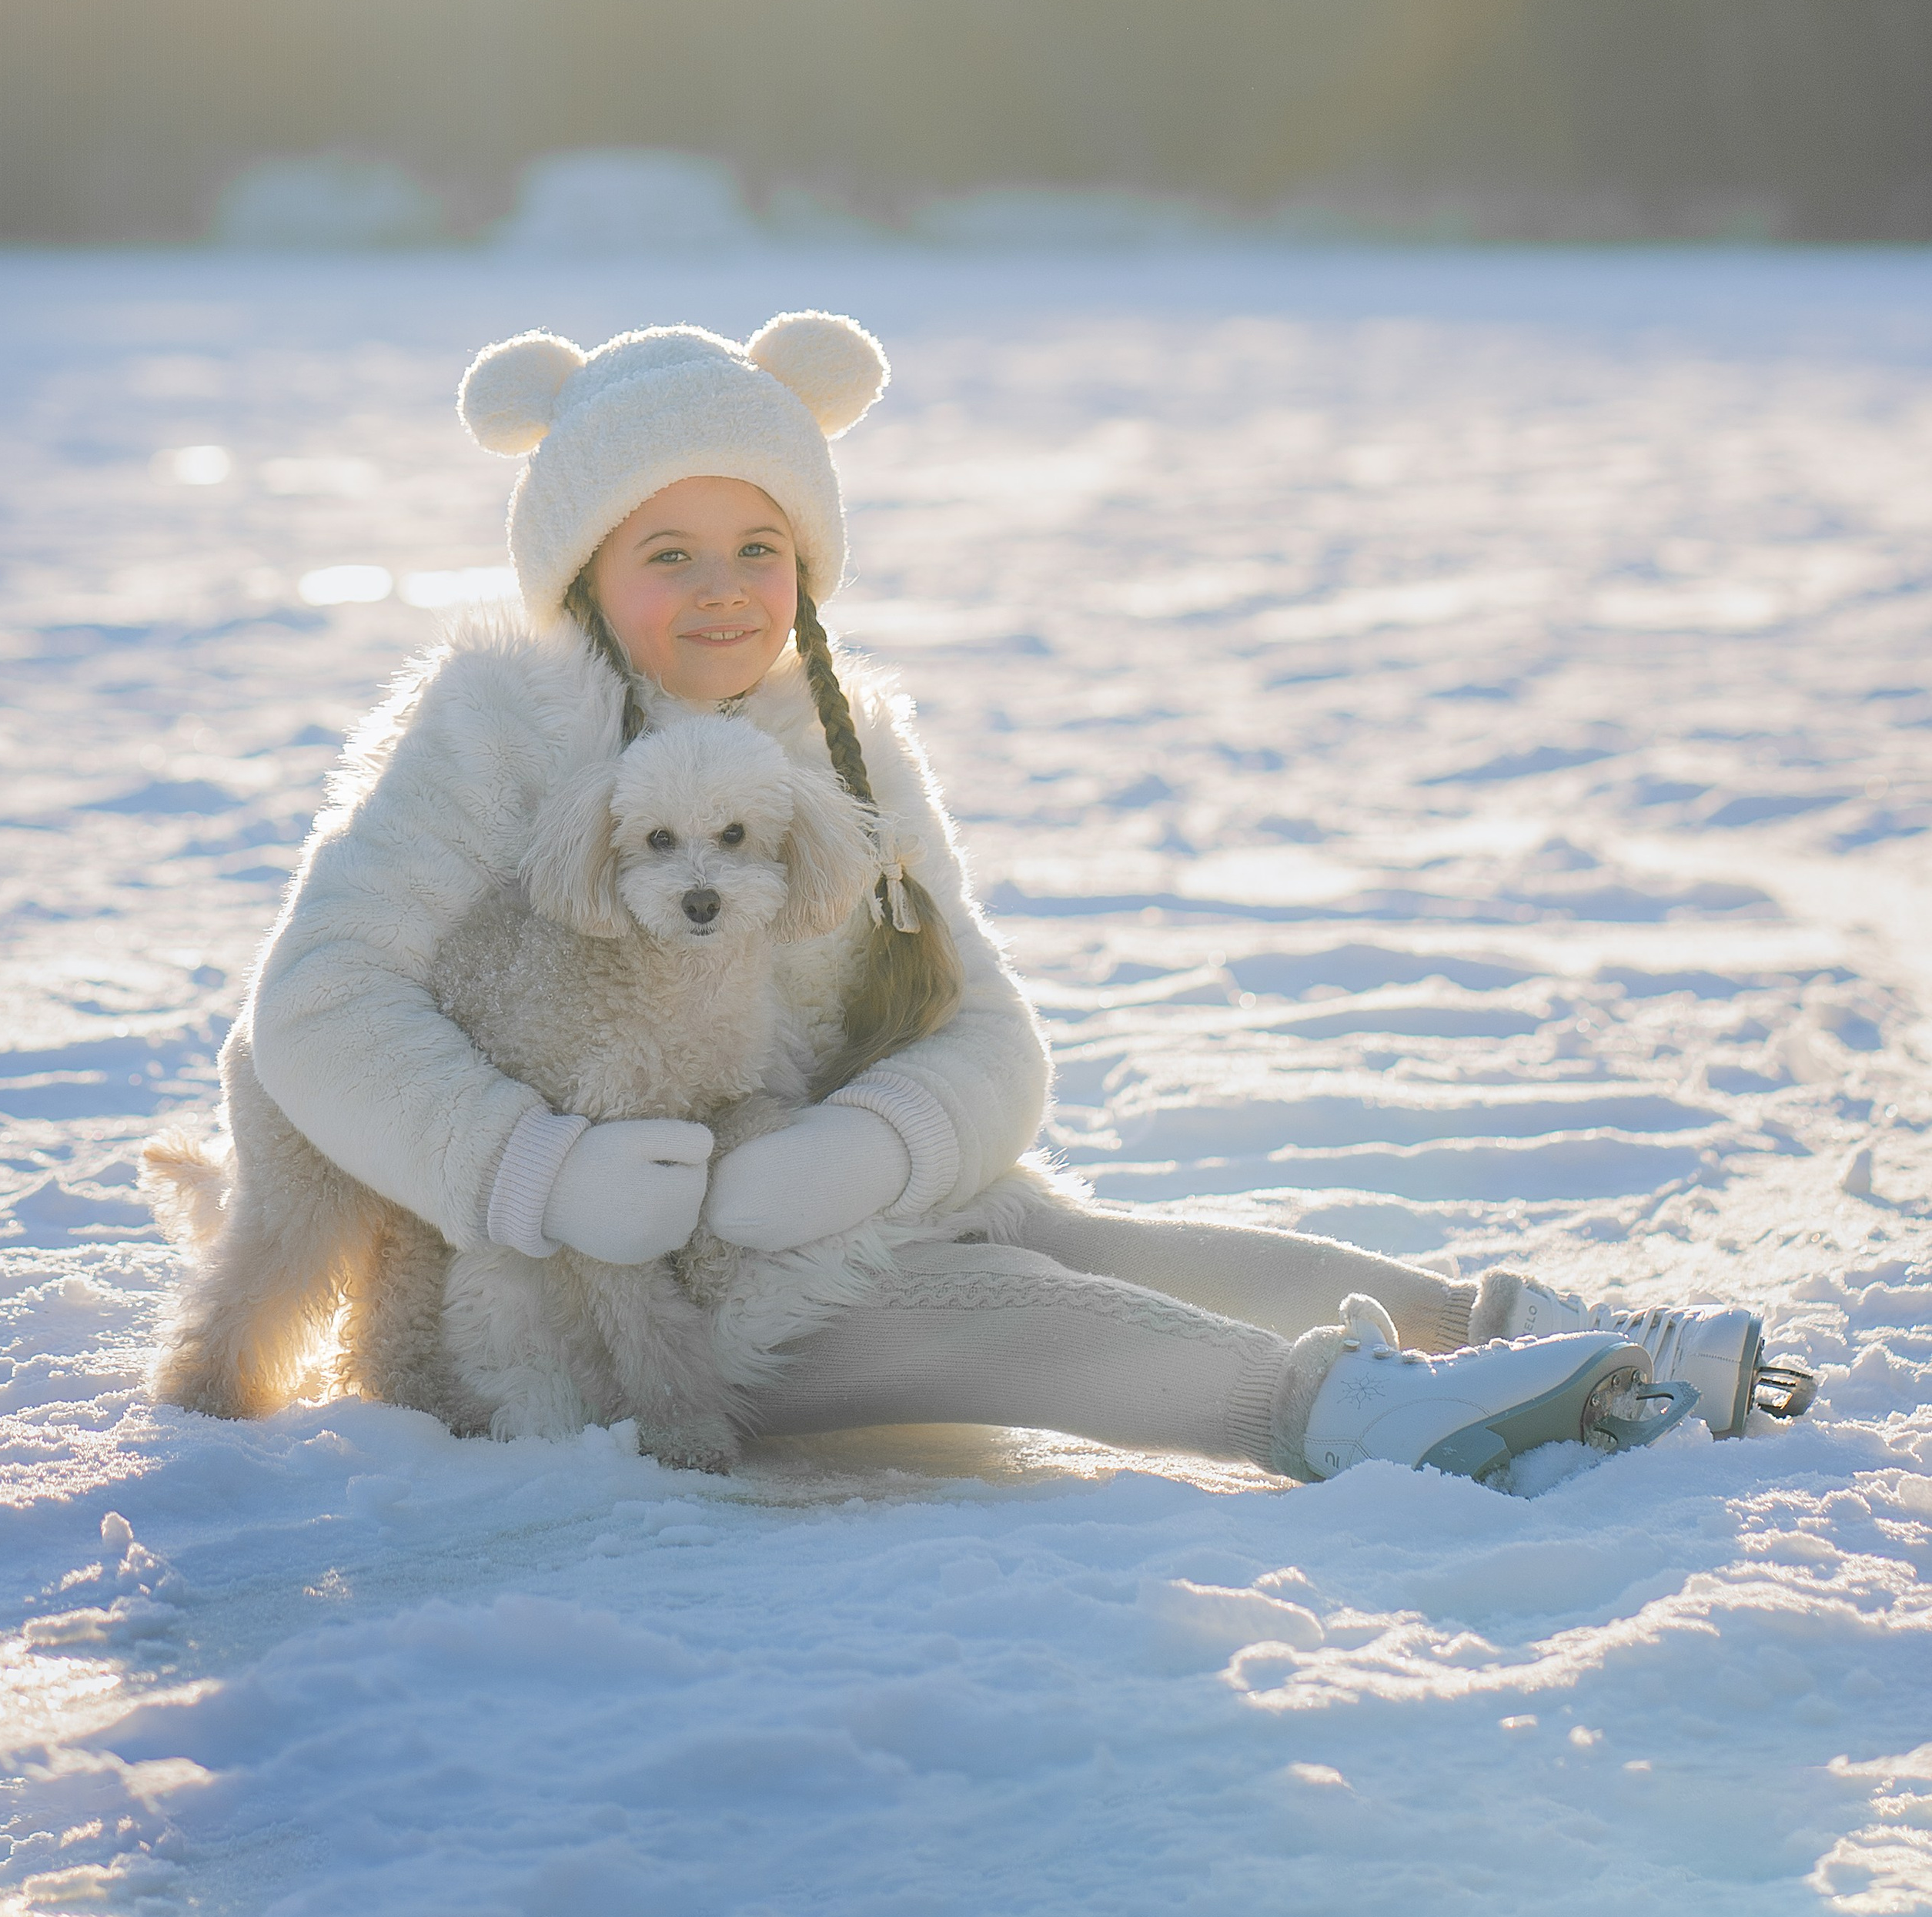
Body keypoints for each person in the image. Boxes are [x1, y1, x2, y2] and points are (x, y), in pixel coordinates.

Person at [239, 313, 1813, 1487]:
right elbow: (312, 1008)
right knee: (994, 1305)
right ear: (584, 568)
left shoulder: (834, 748)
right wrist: (545, 1172)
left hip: (808, 1196)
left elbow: (985, 1031)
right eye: (668, 550)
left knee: (1073, 1236)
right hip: (594, 1293)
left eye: (759, 547)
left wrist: (873, 1140)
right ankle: (1360, 1409)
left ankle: (1517, 1329)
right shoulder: (492, 734)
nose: (721, 588)